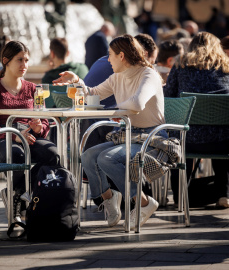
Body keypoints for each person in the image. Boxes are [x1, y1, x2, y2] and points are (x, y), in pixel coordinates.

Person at [53, 34, 166, 229]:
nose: (108, 59)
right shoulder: (117, 77)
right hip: (129, 135)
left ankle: (144, 203)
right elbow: (92, 93)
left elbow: (137, 103)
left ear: (121, 56)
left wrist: (115, 111)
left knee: (106, 158)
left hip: (151, 138)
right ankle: (109, 196)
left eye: (110, 55)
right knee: (87, 155)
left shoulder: (148, 75)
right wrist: (77, 80)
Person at [0, 41, 59, 222]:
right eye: (20, 60)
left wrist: (40, 128)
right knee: (17, 154)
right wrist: (14, 135)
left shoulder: (33, 89)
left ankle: (25, 195)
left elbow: (45, 120)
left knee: (52, 154)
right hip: (0, 139)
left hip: (29, 136)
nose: (24, 65)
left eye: (26, 60)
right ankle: (19, 197)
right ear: (6, 61)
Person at [164, 32, 229, 208]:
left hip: (187, 140)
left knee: (180, 136)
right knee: (220, 131)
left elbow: (169, 97)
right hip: (223, 142)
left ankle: (180, 195)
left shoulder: (180, 64)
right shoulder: (226, 66)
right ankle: (224, 193)